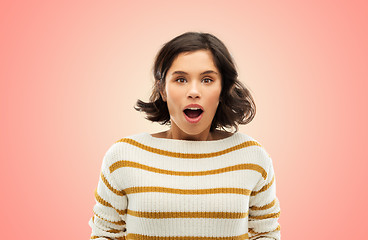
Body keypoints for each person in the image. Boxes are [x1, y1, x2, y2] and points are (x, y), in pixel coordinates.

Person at [89, 32, 281, 239]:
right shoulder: (123, 156)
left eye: (207, 79)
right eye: (181, 79)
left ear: (222, 89)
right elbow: (105, 234)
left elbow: (266, 234)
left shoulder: (252, 156)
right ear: (162, 89)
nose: (194, 91)